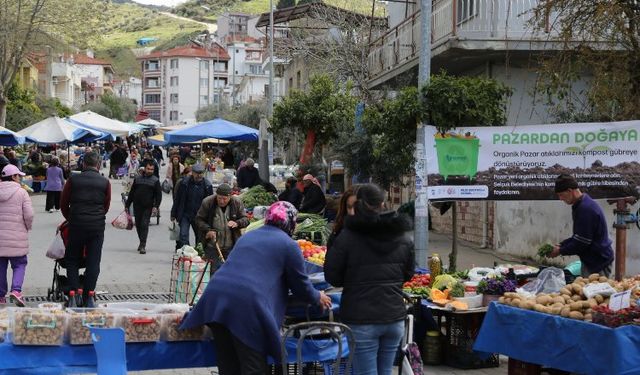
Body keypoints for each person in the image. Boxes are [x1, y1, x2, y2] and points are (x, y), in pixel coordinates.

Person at [181, 201, 332, 374]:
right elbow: (301, 286)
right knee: (253, 368)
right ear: (291, 223)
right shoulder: (289, 245)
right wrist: (317, 296)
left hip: (216, 302)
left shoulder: (249, 236)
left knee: (229, 367)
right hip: (246, 308)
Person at [324, 183, 414, 375]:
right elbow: (408, 274)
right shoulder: (403, 237)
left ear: (358, 206)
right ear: (382, 204)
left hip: (361, 318)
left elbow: (332, 276)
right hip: (393, 318)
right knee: (386, 371)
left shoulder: (347, 237)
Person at [60, 152, 111, 308]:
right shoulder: (105, 182)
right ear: (98, 164)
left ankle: (74, 294)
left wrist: (71, 217)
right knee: (93, 261)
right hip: (96, 227)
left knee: (72, 259)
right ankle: (89, 296)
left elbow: (63, 202)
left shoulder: (73, 180)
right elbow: (106, 206)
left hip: (76, 225)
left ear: (83, 164)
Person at [549, 174, 614, 277]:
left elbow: (582, 242)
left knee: (596, 292)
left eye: (561, 195)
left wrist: (560, 250)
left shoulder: (585, 209)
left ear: (570, 191)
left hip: (598, 262)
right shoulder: (580, 205)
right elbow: (578, 236)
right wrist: (562, 245)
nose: (560, 199)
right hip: (591, 260)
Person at [0, 165, 33, 306]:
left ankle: (0, 296)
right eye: (19, 176)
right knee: (19, 264)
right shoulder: (21, 193)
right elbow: (29, 214)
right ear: (13, 177)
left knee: (0, 266)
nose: (20, 178)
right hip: (17, 236)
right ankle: (16, 290)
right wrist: (27, 226)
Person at [195, 183, 249, 264]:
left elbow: (246, 220)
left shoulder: (236, 202)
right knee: (213, 272)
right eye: (219, 198)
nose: (221, 201)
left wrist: (237, 223)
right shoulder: (208, 202)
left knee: (229, 273)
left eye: (224, 199)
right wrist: (208, 230)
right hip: (212, 246)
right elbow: (199, 219)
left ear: (230, 196)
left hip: (231, 246)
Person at [171, 163, 213, 248]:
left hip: (199, 216)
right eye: (197, 173)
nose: (199, 175)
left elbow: (210, 203)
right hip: (185, 214)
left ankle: (197, 254)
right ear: (192, 173)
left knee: (199, 237)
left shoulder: (207, 186)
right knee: (183, 235)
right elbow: (177, 200)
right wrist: (173, 213)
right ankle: (186, 252)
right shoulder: (184, 183)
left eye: (201, 173)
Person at [125, 163, 162, 254]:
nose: (150, 171)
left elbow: (158, 195)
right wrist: (127, 204)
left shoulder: (155, 180)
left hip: (148, 206)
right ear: (145, 169)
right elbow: (132, 192)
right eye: (148, 169)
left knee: (144, 224)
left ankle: (142, 245)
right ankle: (141, 241)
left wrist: (156, 206)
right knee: (138, 224)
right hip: (137, 206)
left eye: (152, 169)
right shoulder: (137, 179)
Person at [327, 184, 360, 249]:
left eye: (357, 207)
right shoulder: (338, 233)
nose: (352, 212)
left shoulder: (378, 239)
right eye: (349, 207)